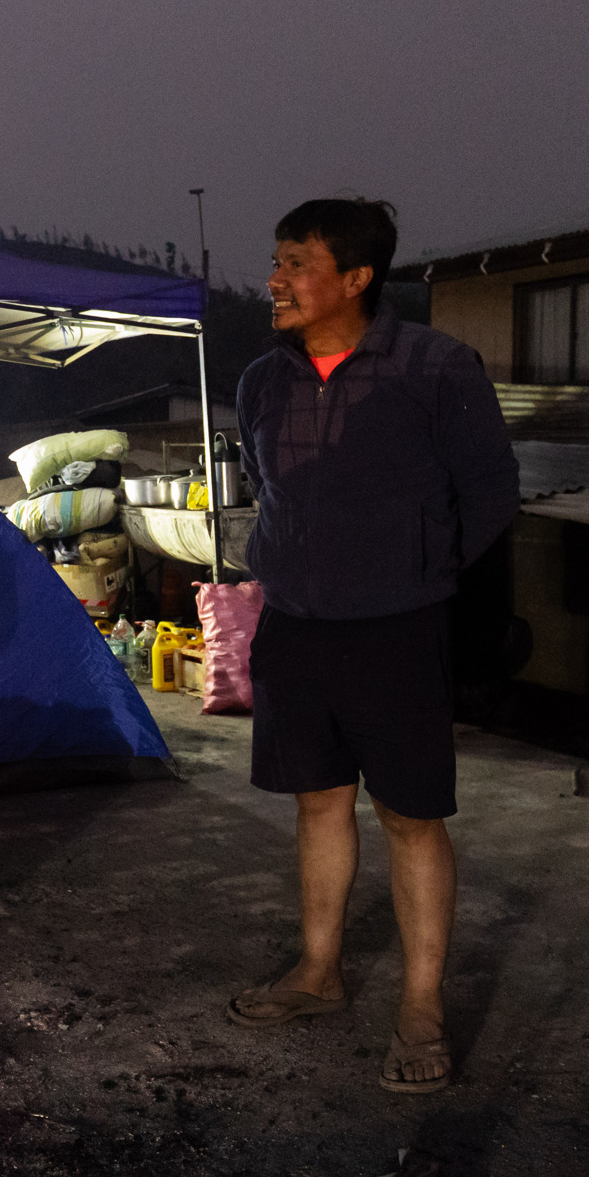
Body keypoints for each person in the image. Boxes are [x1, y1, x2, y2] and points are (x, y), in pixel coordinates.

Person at [226, 198, 519, 1093]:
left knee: (410, 814)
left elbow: (491, 492)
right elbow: (268, 485)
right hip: (297, 625)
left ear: (356, 278)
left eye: (296, 263)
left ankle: (421, 1005)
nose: (275, 280)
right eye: (276, 261)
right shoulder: (263, 380)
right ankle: (319, 971)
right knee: (318, 801)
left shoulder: (435, 367)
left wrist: (415, 567)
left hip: (400, 626)